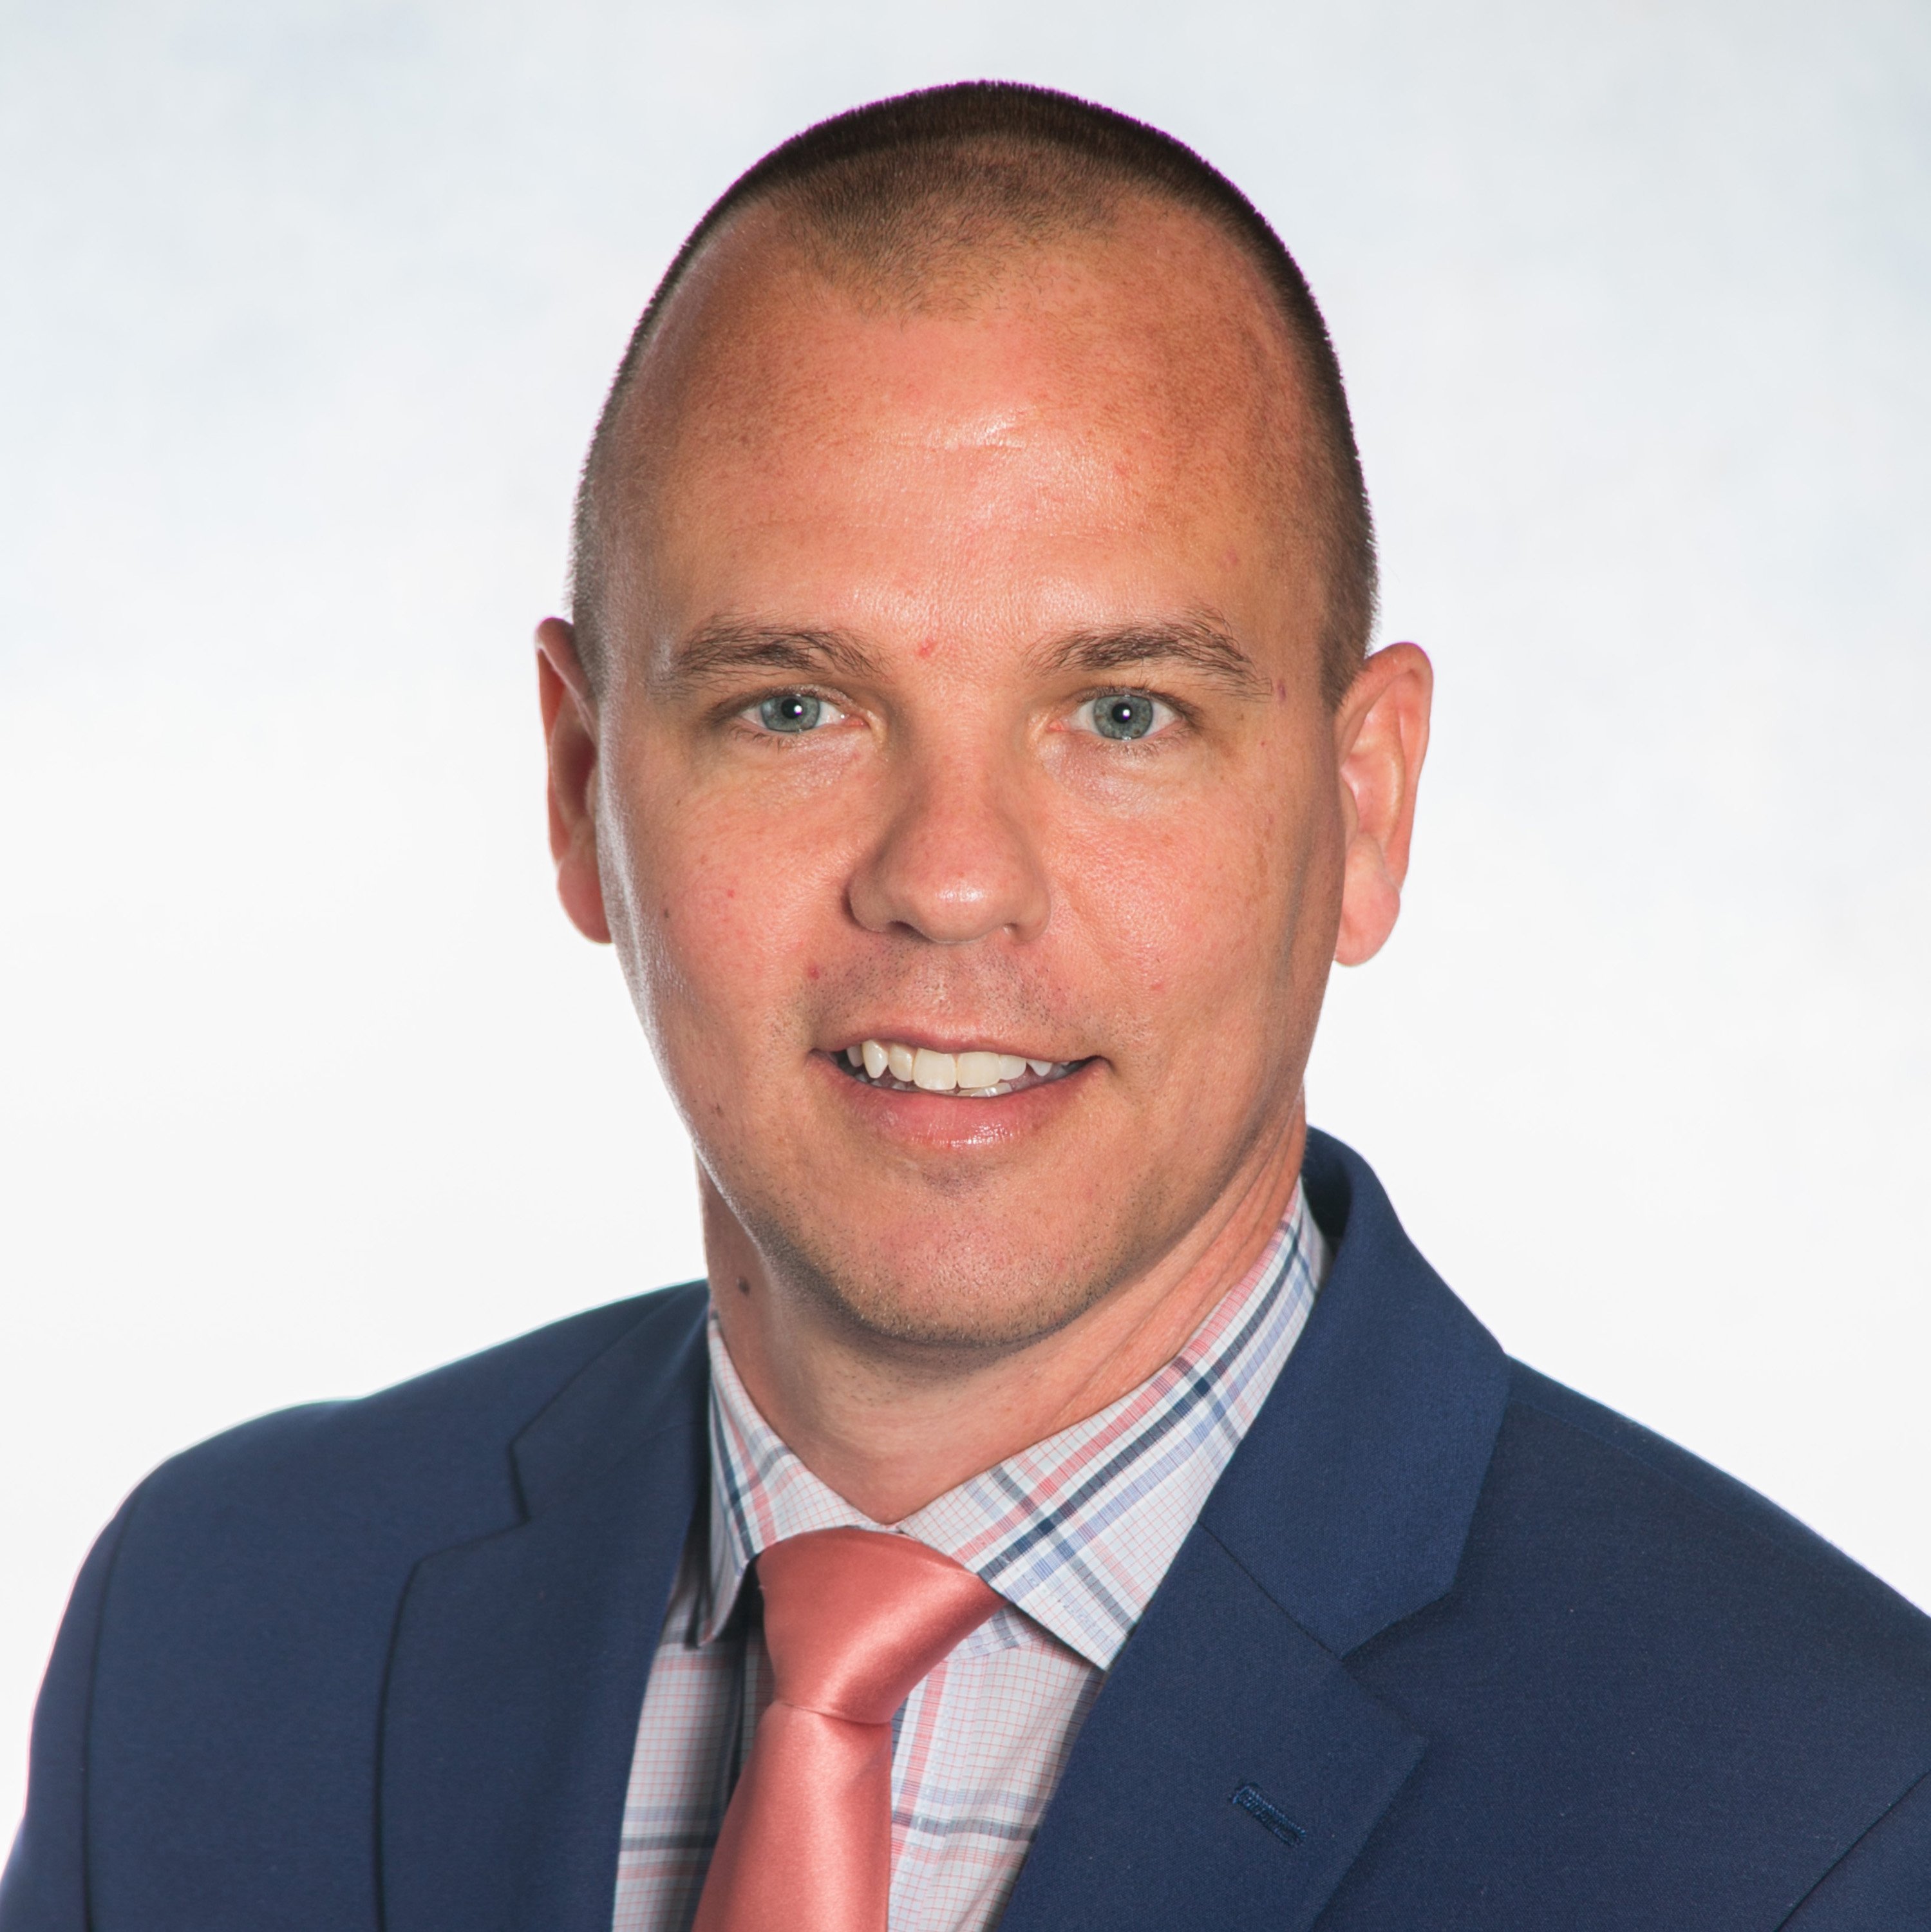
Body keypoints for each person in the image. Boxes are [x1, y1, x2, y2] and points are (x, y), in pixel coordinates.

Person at [5, 79, 1928, 1932]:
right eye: (793, 706)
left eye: (1124, 714)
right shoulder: (216, 1639)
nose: (948, 877)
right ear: (579, 781)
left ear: (1366, 808)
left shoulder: (1826, 1821)